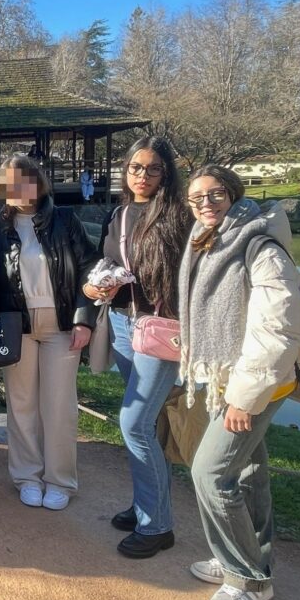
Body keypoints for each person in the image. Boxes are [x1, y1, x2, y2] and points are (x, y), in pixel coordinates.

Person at [179, 166, 300, 600]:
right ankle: (251, 558)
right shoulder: (207, 240)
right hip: (229, 378)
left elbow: (277, 329)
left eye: (215, 194)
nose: (206, 204)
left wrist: (244, 399)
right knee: (248, 472)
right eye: (196, 198)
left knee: (210, 473)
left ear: (234, 194)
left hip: (256, 383)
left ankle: (247, 576)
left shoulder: (260, 246)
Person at [82, 136, 192, 558]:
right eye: (135, 168)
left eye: (152, 168)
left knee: (134, 422)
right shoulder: (121, 213)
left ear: (166, 173)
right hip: (123, 323)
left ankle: (158, 526)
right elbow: (111, 261)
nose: (142, 176)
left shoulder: (180, 214)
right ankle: (148, 504)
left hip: (161, 327)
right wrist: (97, 285)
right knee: (147, 423)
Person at [0, 155, 96, 511]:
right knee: (21, 405)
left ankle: (60, 480)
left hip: (60, 324)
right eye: (10, 182)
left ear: (38, 183)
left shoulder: (64, 219)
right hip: (18, 326)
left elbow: (89, 268)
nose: (18, 189)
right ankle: (27, 477)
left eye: (25, 180)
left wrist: (84, 319)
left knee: (59, 407)